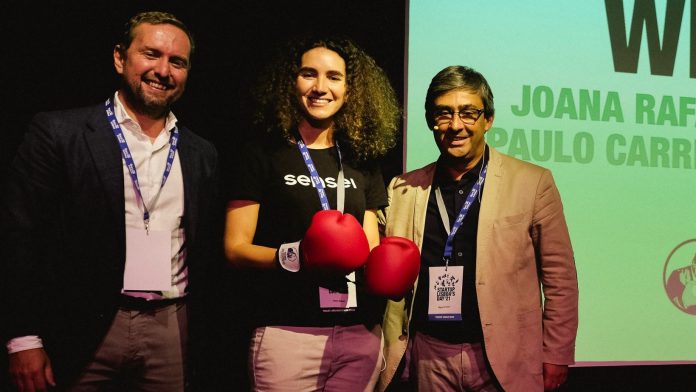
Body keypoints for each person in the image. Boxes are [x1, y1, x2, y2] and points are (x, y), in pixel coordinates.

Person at [0, 11, 220, 391]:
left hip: (171, 325)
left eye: (177, 62)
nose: (163, 70)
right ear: (120, 58)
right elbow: (19, 237)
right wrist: (23, 338)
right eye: (151, 54)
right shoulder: (59, 133)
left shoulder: (202, 153)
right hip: (84, 325)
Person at [377, 65, 579, 392]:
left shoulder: (533, 182)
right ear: (431, 120)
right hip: (429, 353)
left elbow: (560, 277)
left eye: (468, 113)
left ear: (489, 120)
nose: (456, 125)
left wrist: (556, 353)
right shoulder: (403, 188)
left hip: (504, 356)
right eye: (444, 113)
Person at [224, 35, 400, 391]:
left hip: (358, 335)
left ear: (350, 90)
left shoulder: (361, 161)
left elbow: (366, 249)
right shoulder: (263, 154)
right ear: (292, 82)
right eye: (309, 74)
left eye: (334, 77)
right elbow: (235, 248)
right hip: (288, 332)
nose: (321, 87)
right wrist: (295, 256)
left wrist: (388, 270)